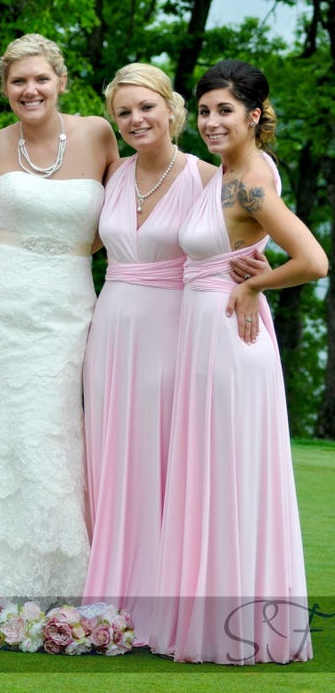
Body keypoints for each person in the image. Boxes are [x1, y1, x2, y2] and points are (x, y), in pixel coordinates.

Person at [80, 62, 267, 647]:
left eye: (146, 107)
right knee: (111, 456)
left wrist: (257, 275)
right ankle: (112, 592)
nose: (136, 119)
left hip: (172, 331)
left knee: (160, 460)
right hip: (109, 327)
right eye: (124, 112)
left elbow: (234, 239)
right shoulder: (113, 174)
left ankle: (163, 599)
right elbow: (83, 240)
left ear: (172, 110)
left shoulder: (208, 177)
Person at [0, 33, 119, 639]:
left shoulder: (98, 133)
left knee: (51, 427)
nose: (30, 90)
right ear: (4, 89)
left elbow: (129, 209)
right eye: (18, 81)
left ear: (61, 81)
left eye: (40, 78)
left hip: (68, 300)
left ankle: (60, 578)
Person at [149, 59, 328, 664]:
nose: (210, 121)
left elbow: (313, 259)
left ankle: (231, 626)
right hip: (203, 332)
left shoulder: (251, 182)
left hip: (228, 335)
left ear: (254, 115)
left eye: (224, 110)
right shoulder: (229, 171)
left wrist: (256, 285)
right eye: (203, 111)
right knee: (210, 472)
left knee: (224, 473)